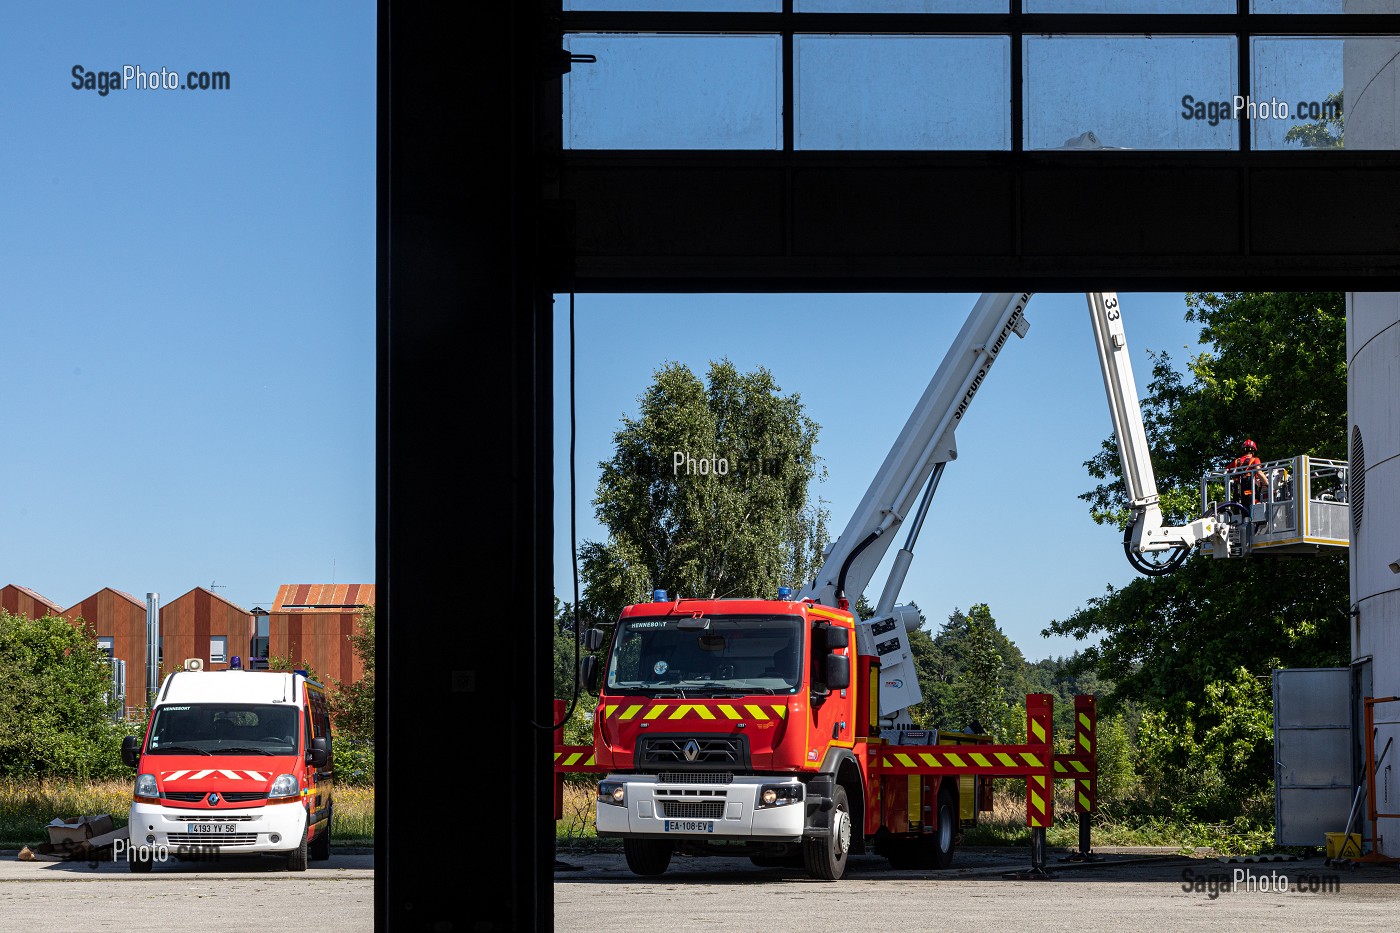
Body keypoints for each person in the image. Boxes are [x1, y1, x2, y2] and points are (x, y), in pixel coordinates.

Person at [1230, 439, 1266, 510]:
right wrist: (1268, 485)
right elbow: (1259, 472)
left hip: (1239, 495)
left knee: (1242, 513)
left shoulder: (1237, 462)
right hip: (1251, 494)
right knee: (1257, 511)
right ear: (1253, 451)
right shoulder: (1255, 460)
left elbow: (1226, 471)